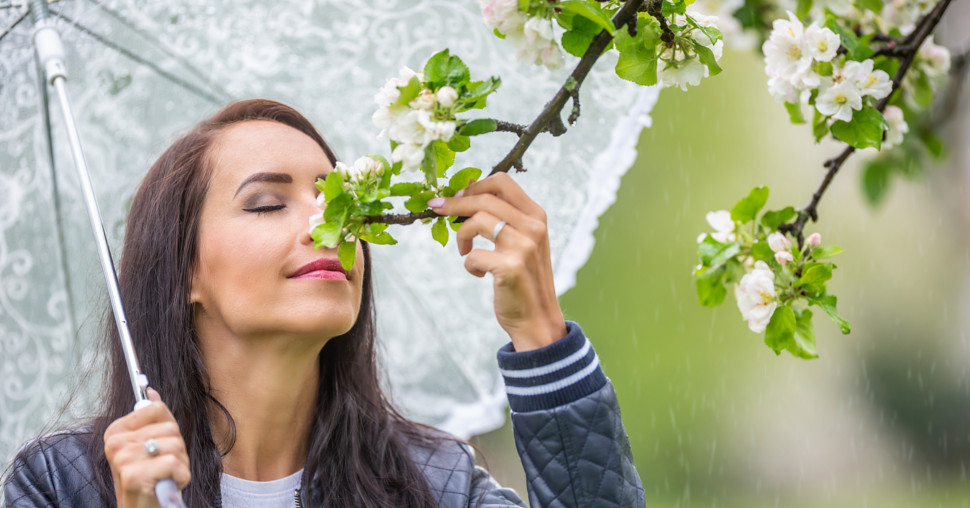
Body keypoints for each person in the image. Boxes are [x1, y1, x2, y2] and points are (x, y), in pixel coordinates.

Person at [2, 99, 644, 507]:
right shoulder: (62, 486)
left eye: (338, 198)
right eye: (267, 204)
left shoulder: (436, 484)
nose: (326, 224)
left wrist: (540, 335)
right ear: (184, 270)